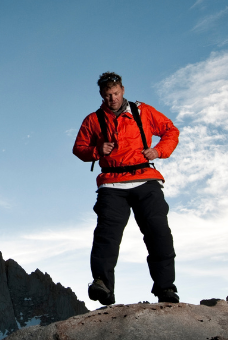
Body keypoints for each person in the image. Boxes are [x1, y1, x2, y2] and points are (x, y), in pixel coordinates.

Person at [72, 71, 181, 306]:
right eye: (108, 95)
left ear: (123, 90)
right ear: (101, 95)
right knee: (106, 235)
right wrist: (97, 151)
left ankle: (166, 289)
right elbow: (79, 148)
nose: (112, 98)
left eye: (116, 93)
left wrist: (159, 151)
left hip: (146, 179)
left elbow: (171, 131)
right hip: (112, 184)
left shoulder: (143, 111)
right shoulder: (93, 120)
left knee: (159, 233)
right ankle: (103, 285)